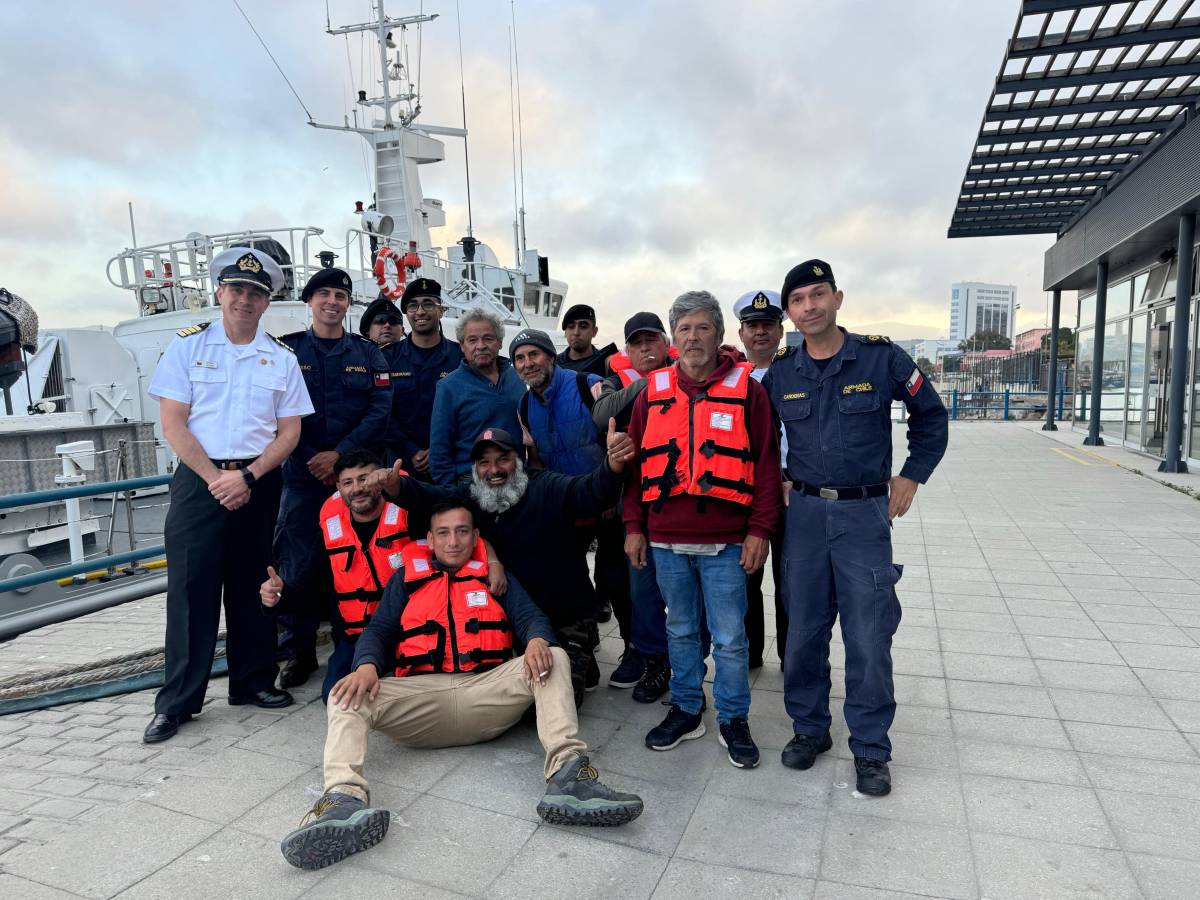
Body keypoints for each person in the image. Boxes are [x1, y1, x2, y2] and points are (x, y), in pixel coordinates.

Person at [280, 499, 644, 870]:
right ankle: (344, 801)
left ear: (475, 537)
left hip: (484, 694)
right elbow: (378, 630)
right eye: (443, 533)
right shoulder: (406, 577)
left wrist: (536, 637)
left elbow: (529, 616)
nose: (453, 541)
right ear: (430, 539)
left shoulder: (494, 574)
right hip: (423, 702)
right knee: (345, 694)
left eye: (462, 531)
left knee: (556, 656)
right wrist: (367, 665)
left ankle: (569, 778)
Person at [763, 259, 948, 797]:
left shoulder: (880, 357)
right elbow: (760, 438)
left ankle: (870, 747)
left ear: (838, 298)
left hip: (864, 517)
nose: (809, 307)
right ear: (790, 313)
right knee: (802, 634)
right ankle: (810, 729)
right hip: (804, 518)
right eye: (798, 300)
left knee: (868, 635)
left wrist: (912, 476)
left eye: (818, 295)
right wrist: (776, 481)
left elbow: (930, 417)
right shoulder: (782, 372)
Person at [143, 246, 314, 744]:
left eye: (256, 293)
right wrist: (217, 476)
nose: (245, 299)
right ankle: (177, 702)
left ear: (267, 303)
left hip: (257, 485)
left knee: (254, 587)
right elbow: (173, 422)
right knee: (191, 592)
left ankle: (253, 682)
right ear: (220, 292)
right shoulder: (187, 347)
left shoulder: (281, 358)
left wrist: (249, 478)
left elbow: (289, 432)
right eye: (237, 289)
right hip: (201, 483)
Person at [623, 291, 781, 769]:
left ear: (719, 334)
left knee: (732, 637)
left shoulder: (748, 390)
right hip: (666, 539)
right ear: (674, 338)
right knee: (681, 629)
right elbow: (633, 466)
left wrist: (760, 531)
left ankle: (734, 717)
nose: (693, 337)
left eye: (702, 327)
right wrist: (633, 525)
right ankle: (688, 708)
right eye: (684, 329)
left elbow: (767, 466)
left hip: (728, 541)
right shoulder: (651, 391)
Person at [372, 425, 632, 706]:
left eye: (502, 459)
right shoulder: (471, 493)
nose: (493, 470)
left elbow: (589, 492)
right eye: (484, 462)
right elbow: (432, 498)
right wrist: (398, 487)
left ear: (519, 461)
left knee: (547, 700)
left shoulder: (546, 486)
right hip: (508, 619)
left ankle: (580, 649)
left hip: (563, 618)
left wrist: (612, 465)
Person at [273, 268, 392, 689]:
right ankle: (297, 651)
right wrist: (312, 459)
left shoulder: (368, 353)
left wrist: (338, 458)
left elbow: (380, 409)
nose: (332, 301)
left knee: (363, 560)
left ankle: (365, 640)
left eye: (340, 295)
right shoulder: (287, 352)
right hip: (304, 476)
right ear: (309, 301)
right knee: (299, 565)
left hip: (357, 477)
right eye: (323, 294)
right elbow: (277, 412)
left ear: (346, 304)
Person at [260, 449, 412, 702]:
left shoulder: (412, 515)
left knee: (405, 690)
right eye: (347, 483)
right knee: (334, 696)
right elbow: (307, 586)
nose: (357, 489)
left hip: (408, 631)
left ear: (379, 479)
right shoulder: (331, 531)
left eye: (364, 479)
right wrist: (279, 596)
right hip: (356, 636)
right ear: (339, 489)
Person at [589, 312, 677, 702]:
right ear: (627, 350)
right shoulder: (617, 382)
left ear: (665, 343)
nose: (645, 349)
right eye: (637, 343)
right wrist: (651, 382)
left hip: (686, 505)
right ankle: (651, 657)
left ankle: (689, 663)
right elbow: (602, 414)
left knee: (693, 595)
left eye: (652, 341)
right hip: (639, 504)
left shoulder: (693, 374)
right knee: (641, 589)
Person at [733, 288, 790, 669]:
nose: (760, 333)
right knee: (745, 577)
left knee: (791, 579)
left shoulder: (801, 369)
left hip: (792, 487)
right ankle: (750, 652)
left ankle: (792, 655)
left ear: (780, 330)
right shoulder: (732, 377)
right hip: (744, 487)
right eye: (752, 325)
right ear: (740, 333)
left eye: (768, 324)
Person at [429, 308, 524, 486]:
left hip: (516, 478)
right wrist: (453, 495)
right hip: (472, 483)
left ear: (500, 342)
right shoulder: (448, 387)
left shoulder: (518, 378)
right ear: (462, 346)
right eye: (472, 340)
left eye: (488, 338)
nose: (480, 346)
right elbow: (439, 451)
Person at [382, 277, 463, 475]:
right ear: (407, 313)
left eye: (428, 304)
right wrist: (411, 451)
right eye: (413, 306)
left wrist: (439, 449)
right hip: (401, 465)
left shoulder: (460, 356)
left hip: (450, 463)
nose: (420, 311)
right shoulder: (387, 358)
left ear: (441, 310)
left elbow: (468, 409)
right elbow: (381, 410)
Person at [556, 303, 617, 378]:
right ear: (565, 332)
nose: (576, 332)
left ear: (594, 331)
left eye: (583, 327)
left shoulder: (608, 364)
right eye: (571, 326)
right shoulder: (554, 365)